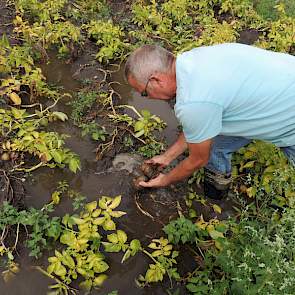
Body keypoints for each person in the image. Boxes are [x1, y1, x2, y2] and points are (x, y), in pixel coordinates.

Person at [124, 43, 295, 199]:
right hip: (279, 82)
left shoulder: (193, 101)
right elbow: (201, 123)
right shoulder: (193, 59)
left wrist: (165, 180)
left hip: (289, 116)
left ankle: (216, 194)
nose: (149, 98)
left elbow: (197, 160)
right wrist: (167, 157)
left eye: (145, 93)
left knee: (206, 150)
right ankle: (217, 191)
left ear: (156, 80)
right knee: (214, 144)